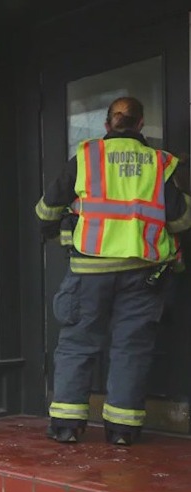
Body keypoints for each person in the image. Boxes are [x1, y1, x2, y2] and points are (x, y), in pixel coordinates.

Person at [35, 96, 191, 445]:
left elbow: (45, 210)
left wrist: (63, 223)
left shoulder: (86, 158)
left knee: (77, 342)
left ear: (107, 125)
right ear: (140, 125)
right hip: (143, 271)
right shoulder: (158, 162)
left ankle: (66, 425)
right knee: (131, 347)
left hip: (89, 269)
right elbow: (181, 219)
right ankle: (122, 430)